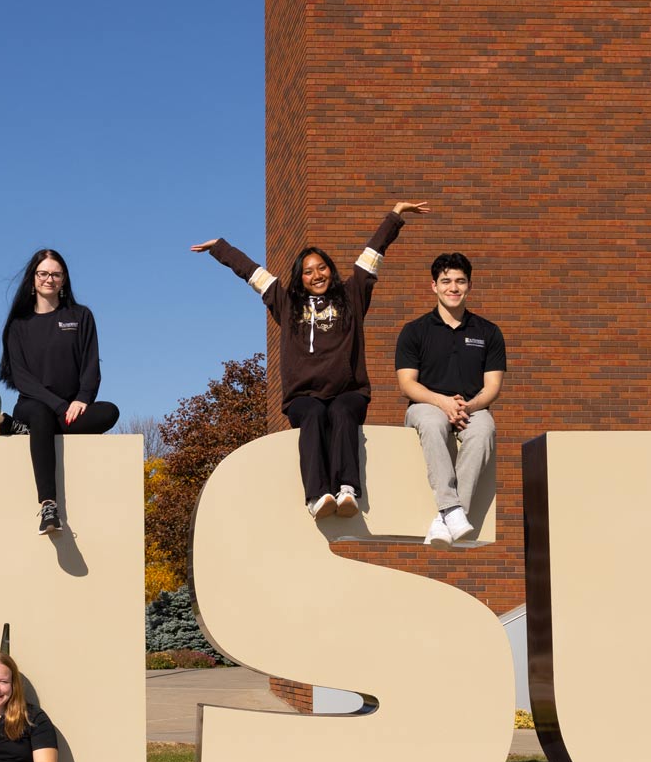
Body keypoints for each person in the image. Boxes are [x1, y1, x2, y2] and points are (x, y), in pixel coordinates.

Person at [194, 201, 428, 516]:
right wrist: (220, 248)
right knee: (315, 414)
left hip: (348, 392)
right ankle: (317, 497)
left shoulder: (352, 297)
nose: (316, 275)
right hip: (303, 396)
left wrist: (395, 215)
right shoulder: (287, 303)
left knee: (342, 412)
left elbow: (372, 254)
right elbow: (252, 273)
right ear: (300, 277)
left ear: (331, 269)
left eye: (322, 268)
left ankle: (347, 490)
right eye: (308, 271)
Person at [0, 248, 121, 534]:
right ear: (33, 278)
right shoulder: (19, 325)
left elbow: (91, 365)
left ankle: (25, 431)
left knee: (109, 412)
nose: (49, 279)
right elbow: (22, 378)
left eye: (56, 274)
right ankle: (49, 506)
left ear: (64, 279)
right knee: (41, 414)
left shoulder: (81, 316)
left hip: (71, 408)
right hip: (34, 404)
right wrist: (59, 406)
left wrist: (82, 399)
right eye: (43, 273)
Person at [396, 251, 506, 545]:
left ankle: (447, 517)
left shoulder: (488, 332)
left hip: (473, 407)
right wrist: (442, 402)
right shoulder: (414, 331)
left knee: (484, 430)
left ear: (470, 285)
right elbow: (407, 384)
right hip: (425, 406)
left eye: (460, 281)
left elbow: (493, 387)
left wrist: (468, 406)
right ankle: (452, 508)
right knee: (433, 423)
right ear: (434, 285)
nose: (453, 288)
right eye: (446, 281)